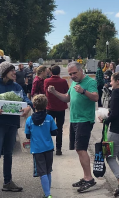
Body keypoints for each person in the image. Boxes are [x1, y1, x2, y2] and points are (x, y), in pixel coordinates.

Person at [0, 62, 33, 197]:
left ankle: (7, 182)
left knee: (9, 154)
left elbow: (26, 99)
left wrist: (28, 106)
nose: (15, 73)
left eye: (15, 71)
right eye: (12, 71)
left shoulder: (16, 86)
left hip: (12, 124)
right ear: (4, 72)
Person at [47, 62, 99, 193]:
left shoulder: (89, 82)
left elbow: (96, 97)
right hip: (75, 119)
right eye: (70, 74)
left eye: (74, 73)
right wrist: (54, 92)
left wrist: (83, 91)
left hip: (85, 119)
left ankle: (89, 179)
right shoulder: (74, 83)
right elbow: (66, 98)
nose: (72, 76)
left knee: (81, 149)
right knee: (78, 149)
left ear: (81, 71)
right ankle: (85, 176)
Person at [25, 94, 57, 198]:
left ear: (34, 105)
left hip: (37, 149)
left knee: (42, 172)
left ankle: (48, 195)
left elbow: (27, 135)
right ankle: (48, 192)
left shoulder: (29, 120)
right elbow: (54, 132)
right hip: (48, 147)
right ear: (46, 105)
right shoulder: (49, 118)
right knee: (48, 170)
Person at [44, 65, 69, 155]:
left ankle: (48, 147)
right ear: (59, 72)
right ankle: (59, 148)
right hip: (60, 107)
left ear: (51, 72)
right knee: (59, 128)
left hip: (50, 107)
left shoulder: (47, 81)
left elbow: (45, 91)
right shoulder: (63, 81)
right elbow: (67, 91)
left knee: (47, 128)